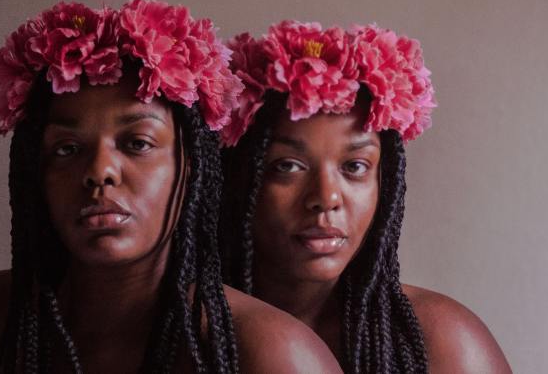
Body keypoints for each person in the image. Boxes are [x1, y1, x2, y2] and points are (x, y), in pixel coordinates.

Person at [0, 0, 340, 374]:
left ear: (191, 168)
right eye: (67, 149)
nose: (100, 171)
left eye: (137, 143)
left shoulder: (272, 354)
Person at [219, 21, 511, 374]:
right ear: (237, 178)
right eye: (288, 166)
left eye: (355, 166)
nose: (326, 198)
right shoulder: (186, 337)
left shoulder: (446, 343)